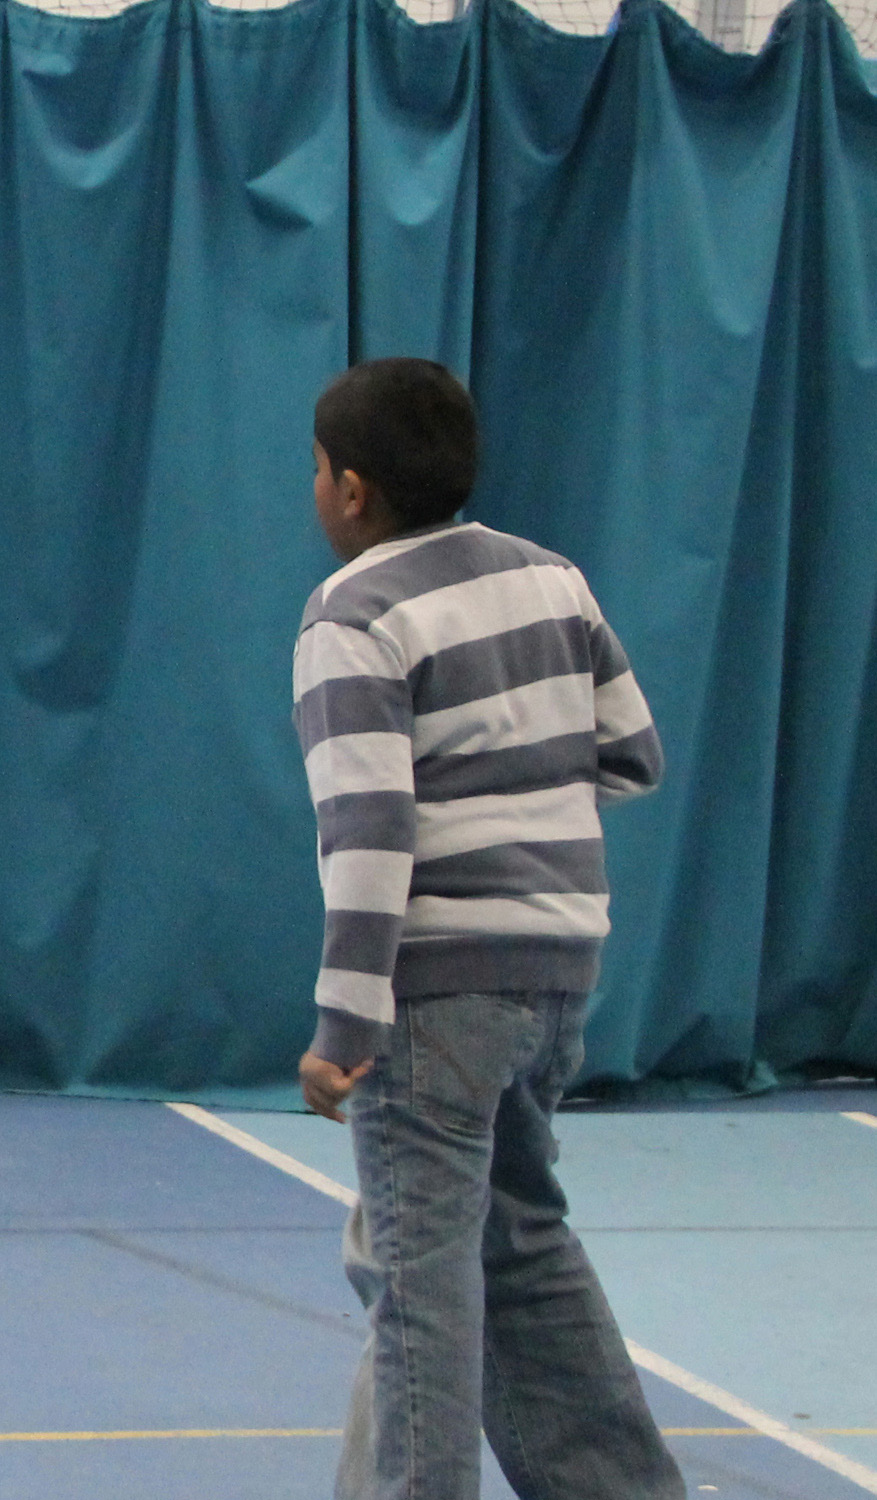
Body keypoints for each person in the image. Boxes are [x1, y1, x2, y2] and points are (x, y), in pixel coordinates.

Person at [292, 359, 684, 1499]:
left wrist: (342, 1019)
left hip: (436, 996)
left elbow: (369, 828)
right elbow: (632, 754)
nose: (314, 492)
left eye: (316, 473)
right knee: (521, 1246)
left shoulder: (351, 613)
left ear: (352, 491)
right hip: (559, 970)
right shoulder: (551, 579)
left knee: (418, 1283)